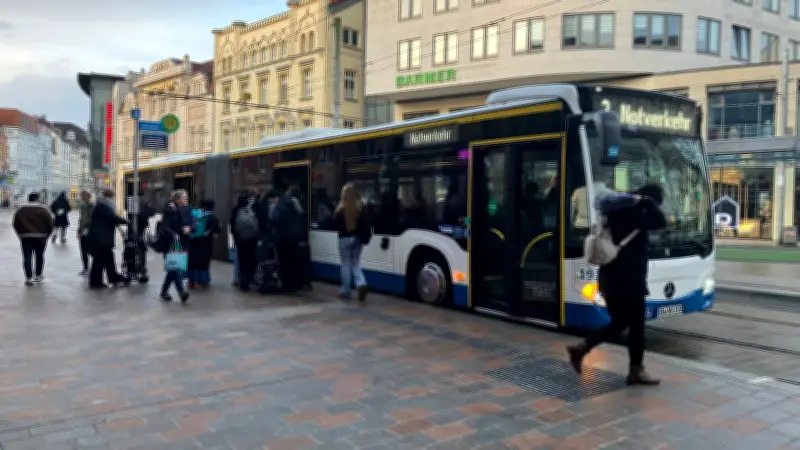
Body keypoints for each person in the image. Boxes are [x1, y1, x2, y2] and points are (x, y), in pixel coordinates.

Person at [567, 183, 667, 386]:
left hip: (609, 279)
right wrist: (647, 202)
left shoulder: (615, 211)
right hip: (628, 280)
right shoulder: (636, 214)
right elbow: (660, 220)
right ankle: (636, 370)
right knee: (636, 326)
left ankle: (582, 348)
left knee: (620, 323)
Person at [86, 189, 129, 288]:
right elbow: (113, 217)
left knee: (105, 258)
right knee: (101, 260)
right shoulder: (105, 206)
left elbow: (111, 217)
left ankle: (111, 278)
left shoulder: (100, 205)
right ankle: (100, 281)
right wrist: (126, 221)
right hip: (102, 239)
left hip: (98, 239)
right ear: (110, 197)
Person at [333, 183, 368, 303]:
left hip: (344, 239)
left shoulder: (340, 209)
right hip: (358, 239)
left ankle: (345, 291)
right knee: (355, 263)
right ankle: (361, 283)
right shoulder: (360, 207)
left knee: (345, 264)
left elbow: (335, 225)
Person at [12, 192, 54, 285]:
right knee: (39, 256)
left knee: (27, 257)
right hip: (41, 237)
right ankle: (38, 276)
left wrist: (21, 234)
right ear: (37, 199)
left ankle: (29, 278)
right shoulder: (43, 209)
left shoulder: (21, 210)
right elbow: (50, 224)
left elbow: (15, 224)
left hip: (26, 237)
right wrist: (47, 235)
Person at [268, 188, 304, 292]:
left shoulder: (279, 205)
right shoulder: (292, 202)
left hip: (282, 238)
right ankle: (295, 284)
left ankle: (286, 285)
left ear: (276, 198)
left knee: (284, 262)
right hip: (294, 238)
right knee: (293, 260)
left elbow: (275, 220)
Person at [159, 189, 192, 302]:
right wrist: (174, 234)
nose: (186, 199)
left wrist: (189, 228)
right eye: (184, 197)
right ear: (177, 199)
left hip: (182, 243)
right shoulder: (169, 209)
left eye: (186, 197)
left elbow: (192, 223)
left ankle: (164, 291)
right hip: (170, 243)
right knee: (174, 268)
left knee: (173, 268)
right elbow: (164, 226)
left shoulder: (186, 209)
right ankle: (182, 292)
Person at [230, 189, 264, 291]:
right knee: (252, 260)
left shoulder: (236, 209)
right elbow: (259, 223)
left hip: (240, 240)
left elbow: (233, 226)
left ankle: (242, 282)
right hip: (252, 240)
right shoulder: (253, 208)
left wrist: (236, 238)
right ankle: (250, 280)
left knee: (242, 262)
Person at [188, 198, 221, 288]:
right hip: (206, 243)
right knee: (204, 261)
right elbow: (217, 230)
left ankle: (192, 279)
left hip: (193, 241)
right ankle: (203, 279)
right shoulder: (213, 219)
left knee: (193, 260)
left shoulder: (195, 216)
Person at [127, 193, 154, 278]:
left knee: (132, 248)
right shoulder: (145, 202)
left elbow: (130, 215)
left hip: (133, 228)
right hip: (141, 229)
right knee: (141, 250)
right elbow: (150, 213)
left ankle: (131, 270)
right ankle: (142, 270)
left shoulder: (131, 201)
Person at [76, 190, 94, 276]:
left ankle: (86, 268)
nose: (80, 197)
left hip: (85, 230)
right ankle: (91, 268)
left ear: (86, 196)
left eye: (82, 195)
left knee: (84, 250)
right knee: (90, 249)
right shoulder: (92, 205)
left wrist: (79, 231)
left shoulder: (84, 206)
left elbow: (83, 220)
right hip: (91, 230)